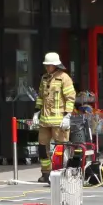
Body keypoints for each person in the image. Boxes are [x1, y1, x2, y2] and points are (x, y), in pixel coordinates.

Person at [33, 52, 76, 185]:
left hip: (59, 122)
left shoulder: (64, 78)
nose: (47, 67)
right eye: (46, 65)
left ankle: (61, 173)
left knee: (61, 149)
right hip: (45, 120)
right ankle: (45, 173)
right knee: (42, 147)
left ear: (55, 65)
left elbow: (70, 98)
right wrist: (36, 112)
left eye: (49, 65)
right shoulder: (44, 78)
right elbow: (40, 97)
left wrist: (67, 116)